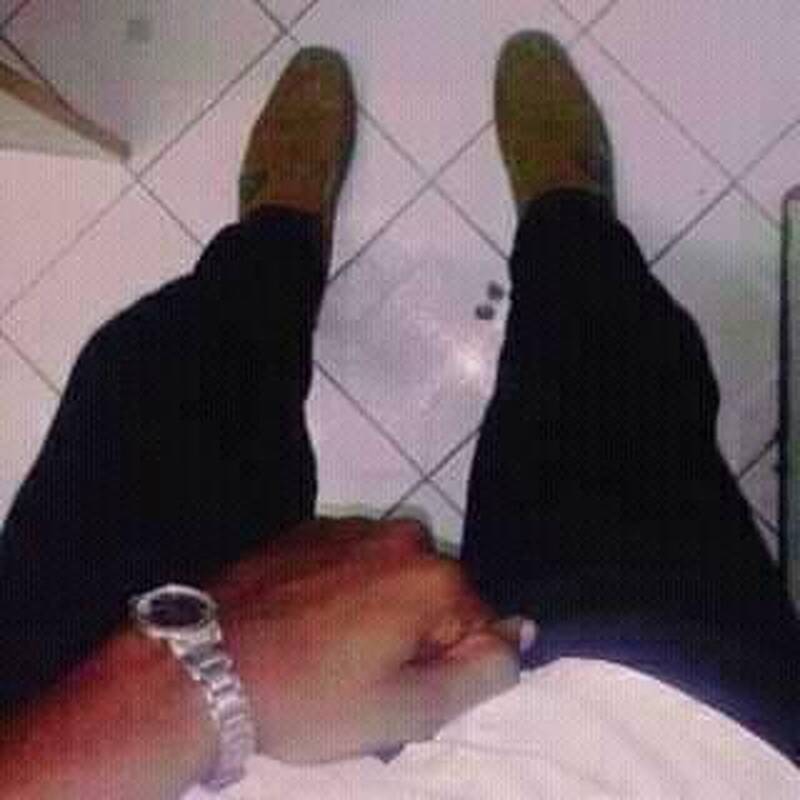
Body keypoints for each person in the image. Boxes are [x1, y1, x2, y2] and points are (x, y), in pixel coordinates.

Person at [0, 30, 797, 798]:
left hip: (92, 749)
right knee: (612, 392)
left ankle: (277, 244)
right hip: (650, 754)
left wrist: (193, 688)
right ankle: (570, 220)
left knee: (156, 393)